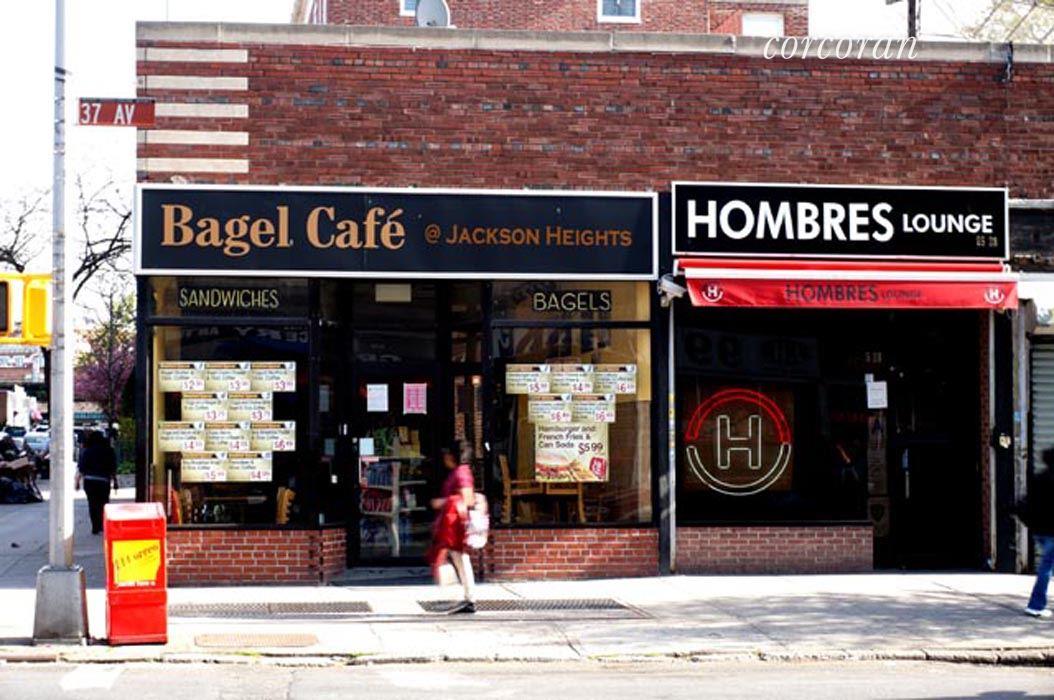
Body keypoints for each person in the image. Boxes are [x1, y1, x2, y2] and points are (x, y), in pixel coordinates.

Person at [427, 441, 477, 614]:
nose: (445, 457)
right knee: (457, 559)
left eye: (448, 454)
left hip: (456, 525)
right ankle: (466, 596)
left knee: (460, 559)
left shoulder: (462, 472)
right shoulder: (458, 471)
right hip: (451, 524)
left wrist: (441, 502)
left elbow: (468, 498)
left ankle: (468, 597)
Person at [1018, 448, 1054, 619]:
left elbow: (1028, 502)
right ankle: (1035, 605)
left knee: (1047, 566)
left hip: (1039, 530)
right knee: (1046, 568)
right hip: (1051, 531)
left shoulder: (1039, 478)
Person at [76, 431, 118, 535]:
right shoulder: (109, 451)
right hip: (104, 481)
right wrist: (115, 481)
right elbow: (113, 468)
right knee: (104, 503)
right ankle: (103, 525)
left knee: (92, 504)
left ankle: (95, 526)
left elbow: (81, 468)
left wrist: (77, 482)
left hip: (90, 481)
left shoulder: (87, 451)